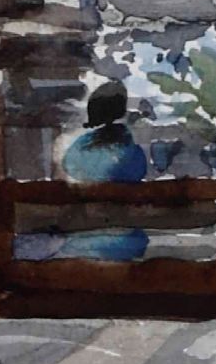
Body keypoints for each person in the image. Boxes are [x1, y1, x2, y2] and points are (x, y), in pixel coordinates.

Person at [59, 80, 149, 260]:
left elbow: (69, 166)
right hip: (125, 240)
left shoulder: (81, 146)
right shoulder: (130, 148)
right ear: (121, 109)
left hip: (82, 236)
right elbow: (139, 171)